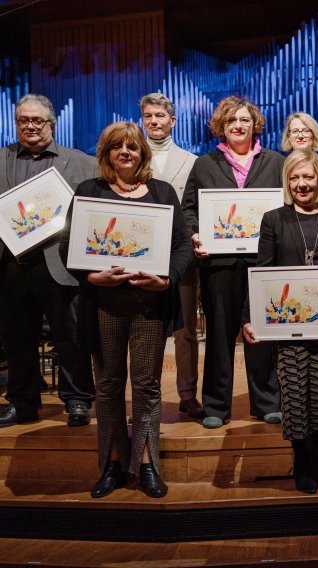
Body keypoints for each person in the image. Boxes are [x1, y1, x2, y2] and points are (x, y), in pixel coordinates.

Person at [58, 122, 192, 498]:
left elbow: (182, 246)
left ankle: (147, 463)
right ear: (107, 153)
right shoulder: (89, 191)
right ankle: (113, 464)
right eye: (118, 146)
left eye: (133, 146)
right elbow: (67, 246)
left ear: (142, 152)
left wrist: (166, 280)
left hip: (149, 306)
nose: (126, 152)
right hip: (103, 307)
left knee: (147, 385)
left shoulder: (163, 193)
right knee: (108, 386)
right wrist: (90, 276)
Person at [242, 150, 318, 494]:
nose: (301, 184)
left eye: (308, 177)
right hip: (290, 326)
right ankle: (302, 467)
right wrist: (250, 317)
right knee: (296, 397)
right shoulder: (273, 219)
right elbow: (262, 272)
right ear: (287, 182)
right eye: (294, 178)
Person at [182, 96, 284, 428]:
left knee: (262, 333)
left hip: (263, 262)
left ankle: (267, 401)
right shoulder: (205, 164)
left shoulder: (276, 162)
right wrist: (196, 234)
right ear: (221, 127)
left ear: (255, 124)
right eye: (230, 122)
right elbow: (188, 210)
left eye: (244, 120)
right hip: (219, 264)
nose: (238, 126)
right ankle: (215, 406)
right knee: (219, 337)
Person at [0, 93, 95, 428]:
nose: (30, 126)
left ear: (51, 124)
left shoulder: (81, 161)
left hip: (60, 262)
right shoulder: (1, 159)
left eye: (37, 120)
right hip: (12, 265)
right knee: (16, 338)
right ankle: (21, 402)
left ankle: (78, 399)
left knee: (70, 336)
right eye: (23, 120)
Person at [140, 92, 202, 419]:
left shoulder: (192, 161)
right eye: (148, 115)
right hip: (142, 253)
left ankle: (188, 394)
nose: (154, 121)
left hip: (181, 253)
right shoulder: (131, 155)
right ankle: (144, 395)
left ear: (172, 120)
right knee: (145, 329)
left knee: (185, 329)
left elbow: (193, 207)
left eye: (160, 116)